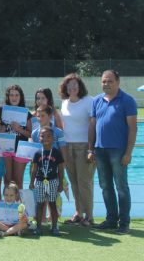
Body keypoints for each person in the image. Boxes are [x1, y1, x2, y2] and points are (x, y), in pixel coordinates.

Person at [89, 70, 137, 234]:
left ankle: (124, 222)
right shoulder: (96, 101)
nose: (106, 84)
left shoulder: (127, 100)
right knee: (105, 186)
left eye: (109, 81)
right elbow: (92, 126)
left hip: (119, 150)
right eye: (103, 81)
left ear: (118, 82)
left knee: (121, 187)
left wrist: (128, 152)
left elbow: (132, 128)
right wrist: (91, 149)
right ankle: (111, 219)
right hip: (100, 150)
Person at [59, 73, 95, 226]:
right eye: (69, 85)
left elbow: (94, 125)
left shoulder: (89, 101)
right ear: (65, 88)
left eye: (75, 84)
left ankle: (89, 216)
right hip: (68, 147)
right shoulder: (64, 102)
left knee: (84, 182)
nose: (72, 87)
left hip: (84, 146)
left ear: (80, 86)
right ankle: (78, 213)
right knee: (74, 182)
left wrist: (91, 149)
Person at [30, 127, 64, 236]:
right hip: (40, 182)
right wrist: (31, 182)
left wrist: (60, 183)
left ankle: (54, 227)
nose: (45, 138)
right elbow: (34, 169)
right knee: (39, 204)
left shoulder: (57, 153)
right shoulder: (37, 153)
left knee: (52, 204)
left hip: (53, 181)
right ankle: (39, 227)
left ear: (53, 138)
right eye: (42, 136)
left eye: (48, 136)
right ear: (39, 138)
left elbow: (61, 169)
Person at [3, 85, 33, 189]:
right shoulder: (3, 112)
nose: (14, 98)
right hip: (6, 149)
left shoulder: (26, 113)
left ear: (21, 97)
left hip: (21, 150)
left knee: (18, 182)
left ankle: (20, 205)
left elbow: (31, 134)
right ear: (8, 97)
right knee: (7, 181)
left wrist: (19, 129)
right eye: (11, 95)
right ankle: (7, 205)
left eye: (16, 95)